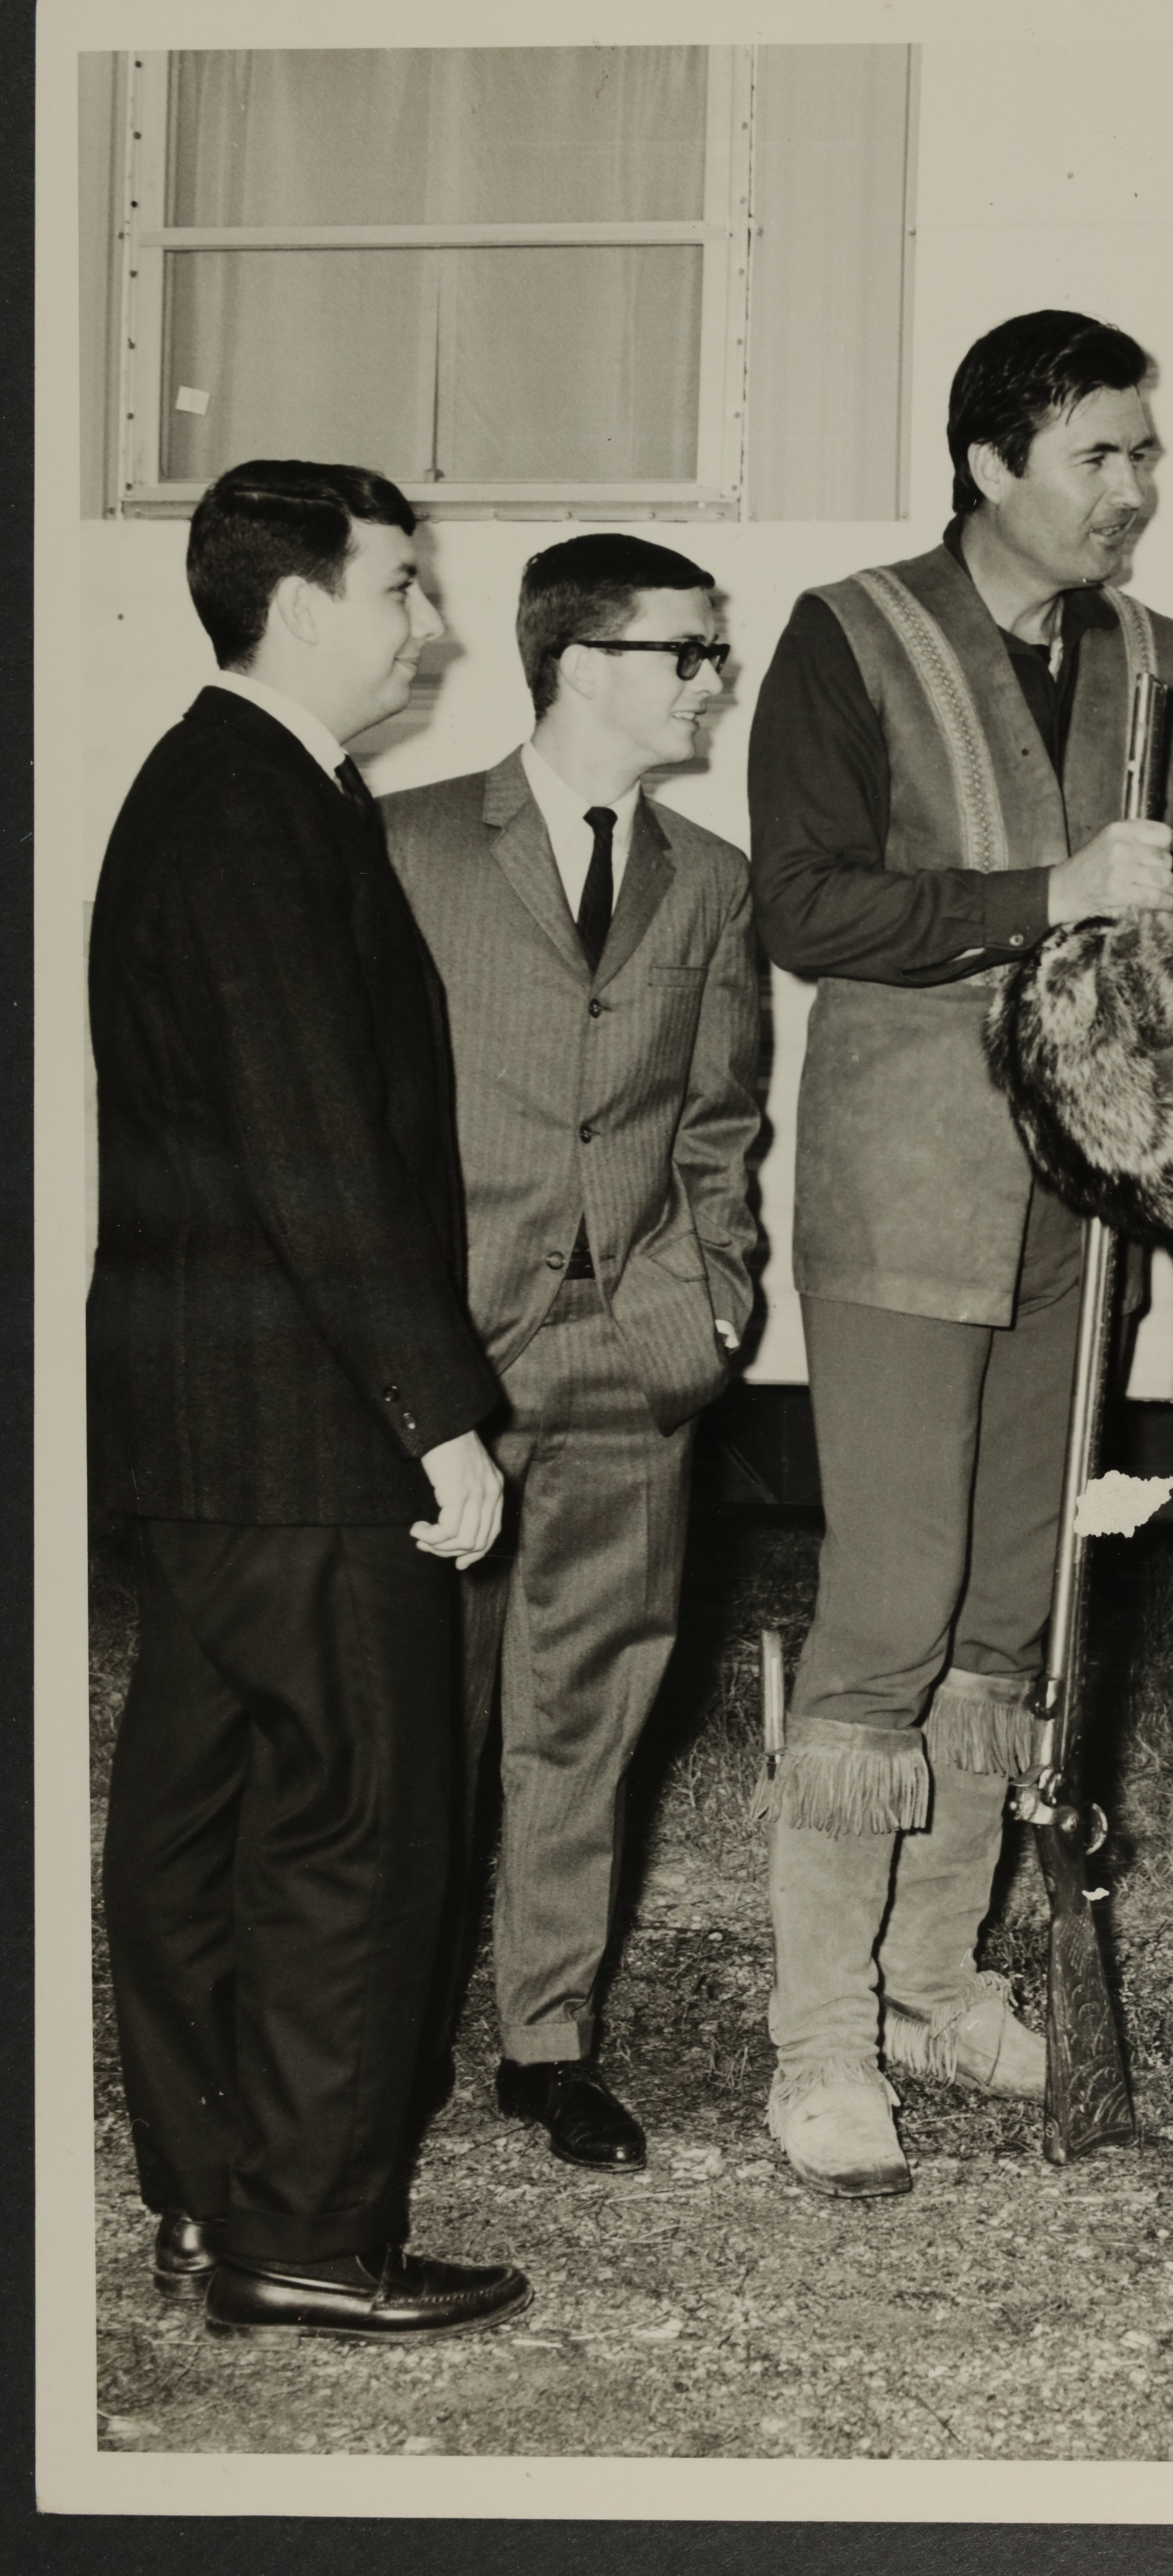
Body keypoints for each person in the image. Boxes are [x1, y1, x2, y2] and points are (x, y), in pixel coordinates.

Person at [747, 308, 1173, 2196]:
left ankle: (933, 1981)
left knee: (1011, 1613)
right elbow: (804, 904)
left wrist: (1156, 978)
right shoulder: (848, 634)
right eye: (1098, 457)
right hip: (902, 1189)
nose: (1134, 491)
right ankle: (816, 2046)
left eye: (1144, 454)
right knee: (889, 1609)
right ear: (989, 465)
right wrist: (1045, 899)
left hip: (1083, 1214)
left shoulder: (1160, 661)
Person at [89, 460, 530, 2341]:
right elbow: (315, 1153)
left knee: (198, 1812)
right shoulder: (257, 810)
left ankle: (209, 2202)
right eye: (406, 589)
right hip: (307, 1425)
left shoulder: (227, 790)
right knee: (359, 1824)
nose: (431, 626)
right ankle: (308, 2234)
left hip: (206, 1430)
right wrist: (437, 1413)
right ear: (299, 607)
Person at [382, 537, 760, 2174]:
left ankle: (546, 2044)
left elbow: (723, 1121)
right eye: (686, 652)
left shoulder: (712, 878)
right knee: (407, 1719)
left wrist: (712, 1300)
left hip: (628, 1364)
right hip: (436, 1362)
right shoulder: (401, 846)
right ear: (583, 662)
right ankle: (381, 2036)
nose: (708, 681)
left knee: (583, 1716)